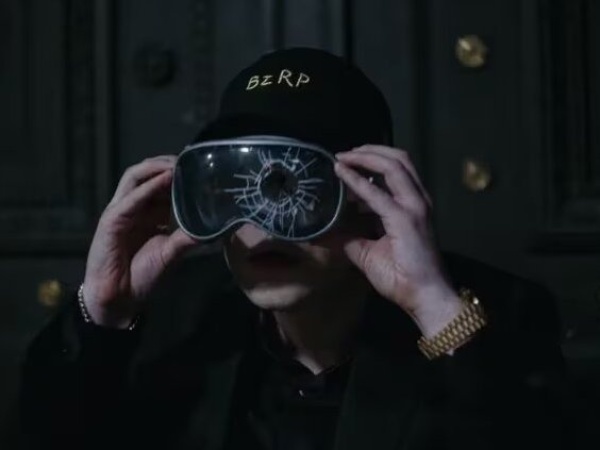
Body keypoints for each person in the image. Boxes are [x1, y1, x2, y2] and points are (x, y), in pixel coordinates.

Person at [17, 48, 571, 450]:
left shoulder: (493, 312)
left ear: (368, 193)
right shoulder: (175, 313)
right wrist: (102, 312)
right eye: (239, 185)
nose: (265, 224)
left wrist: (433, 304)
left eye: (289, 183)